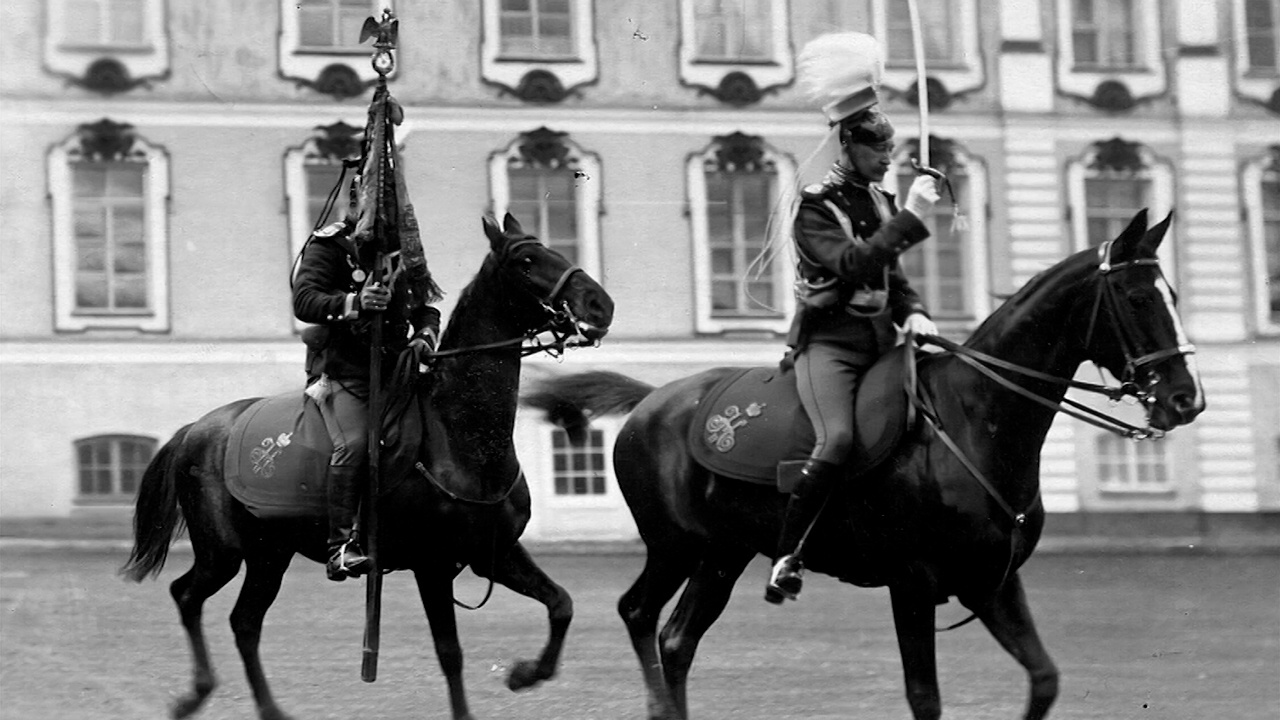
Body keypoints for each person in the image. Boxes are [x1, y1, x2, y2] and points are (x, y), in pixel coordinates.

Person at [766, 33, 941, 604]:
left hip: (884, 343)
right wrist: (913, 216)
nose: (887, 158)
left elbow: (893, 278)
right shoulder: (817, 206)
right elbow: (854, 264)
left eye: (889, 149)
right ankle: (788, 555)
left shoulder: (882, 202)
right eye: (877, 150)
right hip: (832, 346)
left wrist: (915, 312)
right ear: (848, 145)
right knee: (837, 438)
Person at [292, 209, 441, 581]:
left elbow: (425, 308)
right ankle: (341, 546)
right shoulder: (331, 244)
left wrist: (425, 336)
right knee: (355, 444)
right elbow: (305, 300)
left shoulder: (403, 250)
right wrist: (354, 303)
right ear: (359, 197)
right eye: (378, 197)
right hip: (346, 373)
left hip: (398, 374)